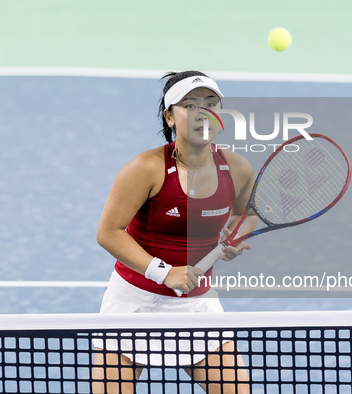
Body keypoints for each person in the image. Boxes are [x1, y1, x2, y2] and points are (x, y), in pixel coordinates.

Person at [93, 71, 257, 393]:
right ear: (170, 116)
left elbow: (246, 214)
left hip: (196, 307)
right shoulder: (146, 168)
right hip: (132, 305)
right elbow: (108, 232)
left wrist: (238, 235)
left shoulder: (237, 169)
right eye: (190, 105)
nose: (203, 112)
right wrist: (164, 273)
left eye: (211, 103)